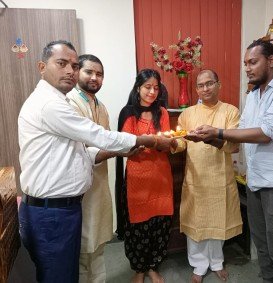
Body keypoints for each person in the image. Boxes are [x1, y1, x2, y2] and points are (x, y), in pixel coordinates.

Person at [17, 40, 172, 283]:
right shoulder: (52, 104)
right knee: (62, 273)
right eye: (62, 63)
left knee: (75, 267)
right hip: (51, 210)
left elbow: (83, 150)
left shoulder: (84, 103)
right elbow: (98, 137)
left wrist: (121, 150)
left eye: (74, 65)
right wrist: (149, 141)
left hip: (66, 204)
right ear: (42, 67)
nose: (70, 70)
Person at [192, 39, 273, 283]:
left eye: (253, 62)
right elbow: (242, 134)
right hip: (256, 182)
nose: (247, 68)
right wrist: (208, 139)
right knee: (263, 247)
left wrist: (218, 132)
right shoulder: (254, 95)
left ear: (271, 61)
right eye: (245, 63)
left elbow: (266, 132)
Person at [170, 69, 243, 283]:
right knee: (197, 222)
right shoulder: (188, 114)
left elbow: (234, 145)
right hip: (196, 177)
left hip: (220, 178)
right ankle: (198, 265)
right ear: (196, 89)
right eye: (201, 85)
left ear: (218, 85)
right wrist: (173, 143)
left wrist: (211, 138)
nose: (205, 89)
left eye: (209, 83)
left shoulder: (230, 111)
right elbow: (181, 141)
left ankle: (217, 262)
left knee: (218, 220)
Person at [115, 69, 174, 283]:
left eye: (156, 88)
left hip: (160, 177)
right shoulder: (128, 112)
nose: (152, 92)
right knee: (138, 226)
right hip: (137, 179)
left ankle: (152, 267)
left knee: (160, 223)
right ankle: (139, 269)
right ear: (138, 88)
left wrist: (167, 143)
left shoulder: (163, 113)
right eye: (147, 87)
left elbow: (166, 143)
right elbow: (125, 145)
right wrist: (147, 142)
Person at [67, 54, 112, 282]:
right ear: (77, 73)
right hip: (80, 186)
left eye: (100, 74)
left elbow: (108, 139)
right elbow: (83, 150)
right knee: (83, 249)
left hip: (100, 182)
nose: (95, 78)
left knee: (98, 245)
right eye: (89, 72)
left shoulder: (100, 106)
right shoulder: (70, 102)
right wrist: (123, 149)